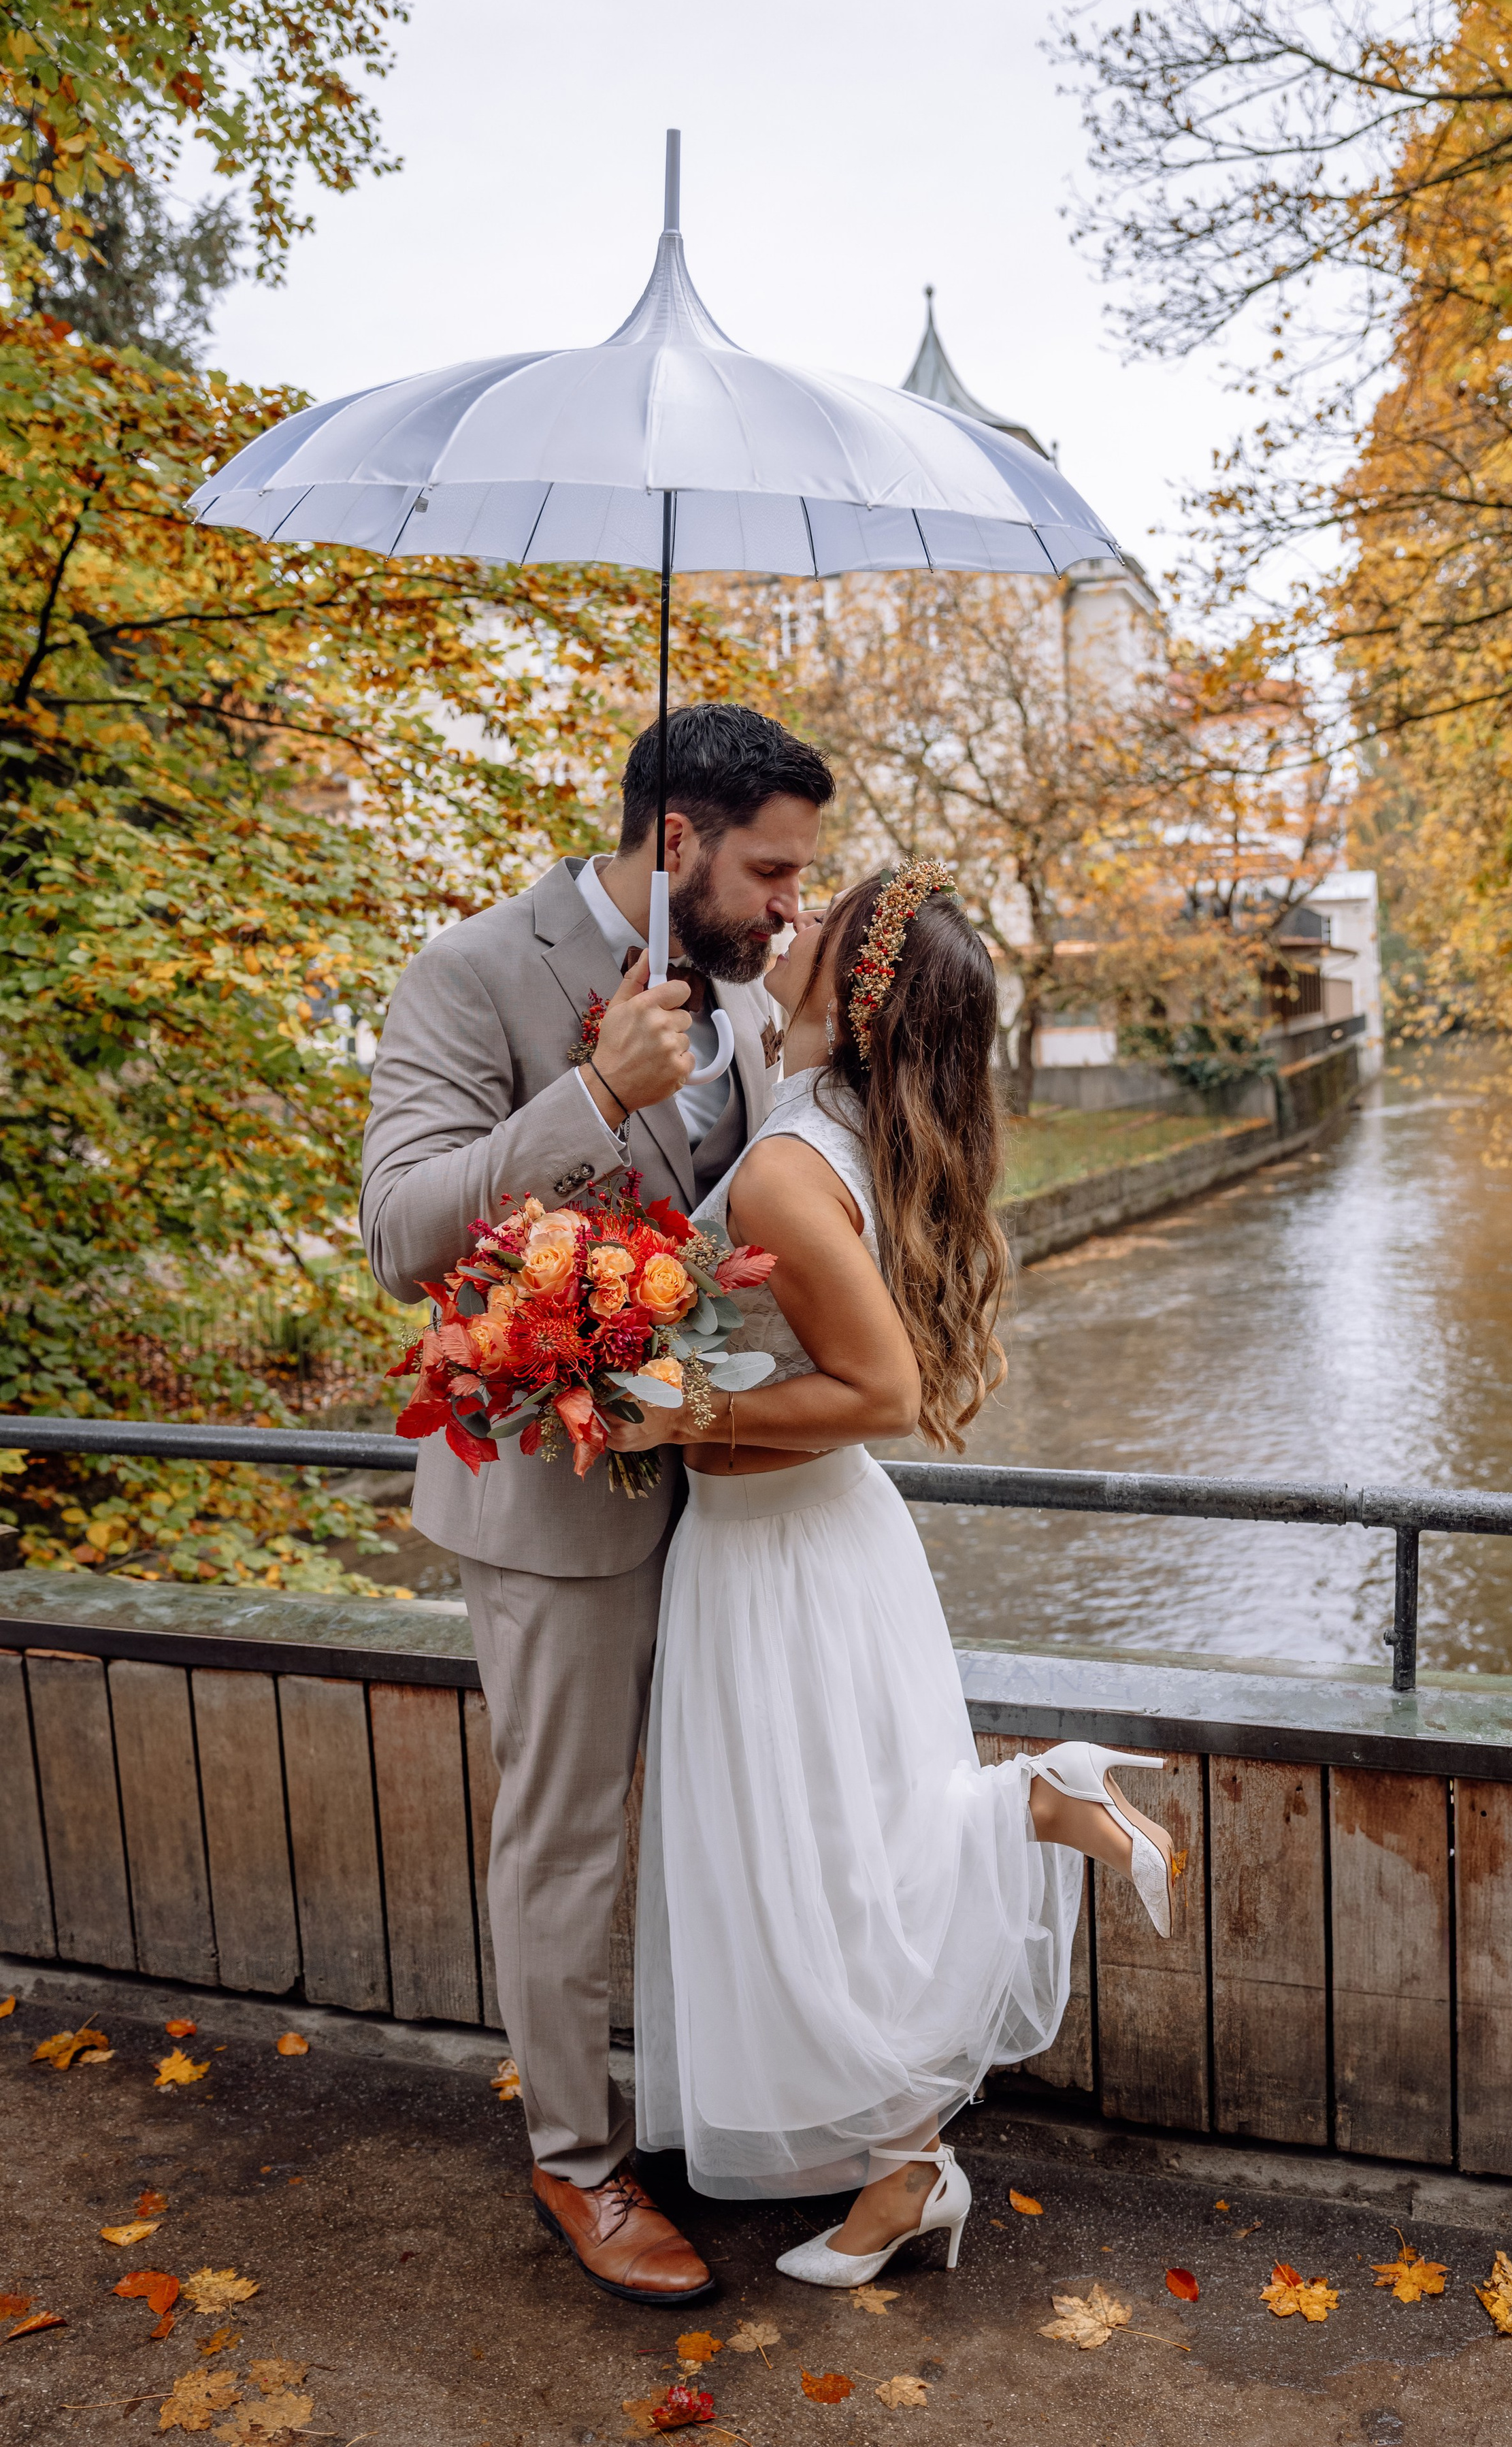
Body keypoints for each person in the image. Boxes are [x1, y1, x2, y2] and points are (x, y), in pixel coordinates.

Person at [609, 861, 1179, 2286]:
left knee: (825, 1872)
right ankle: (905, 2174)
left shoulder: (796, 1165)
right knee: (836, 1868)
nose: (782, 927)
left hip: (780, 1556)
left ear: (855, 993)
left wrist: (685, 1412)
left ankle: (1038, 1796)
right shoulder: (834, 1123)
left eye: (818, 925)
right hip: (812, 1543)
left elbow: (881, 1389)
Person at [359, 702, 834, 2308]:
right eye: (771, 868)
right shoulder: (469, 971)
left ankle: (738, 2103)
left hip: (740, 1484)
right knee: (564, 1840)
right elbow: (401, 1232)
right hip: (553, 1503)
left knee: (739, 1807)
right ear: (675, 842)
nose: (789, 902)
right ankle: (577, 2158)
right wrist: (583, 1096)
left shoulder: (765, 999)